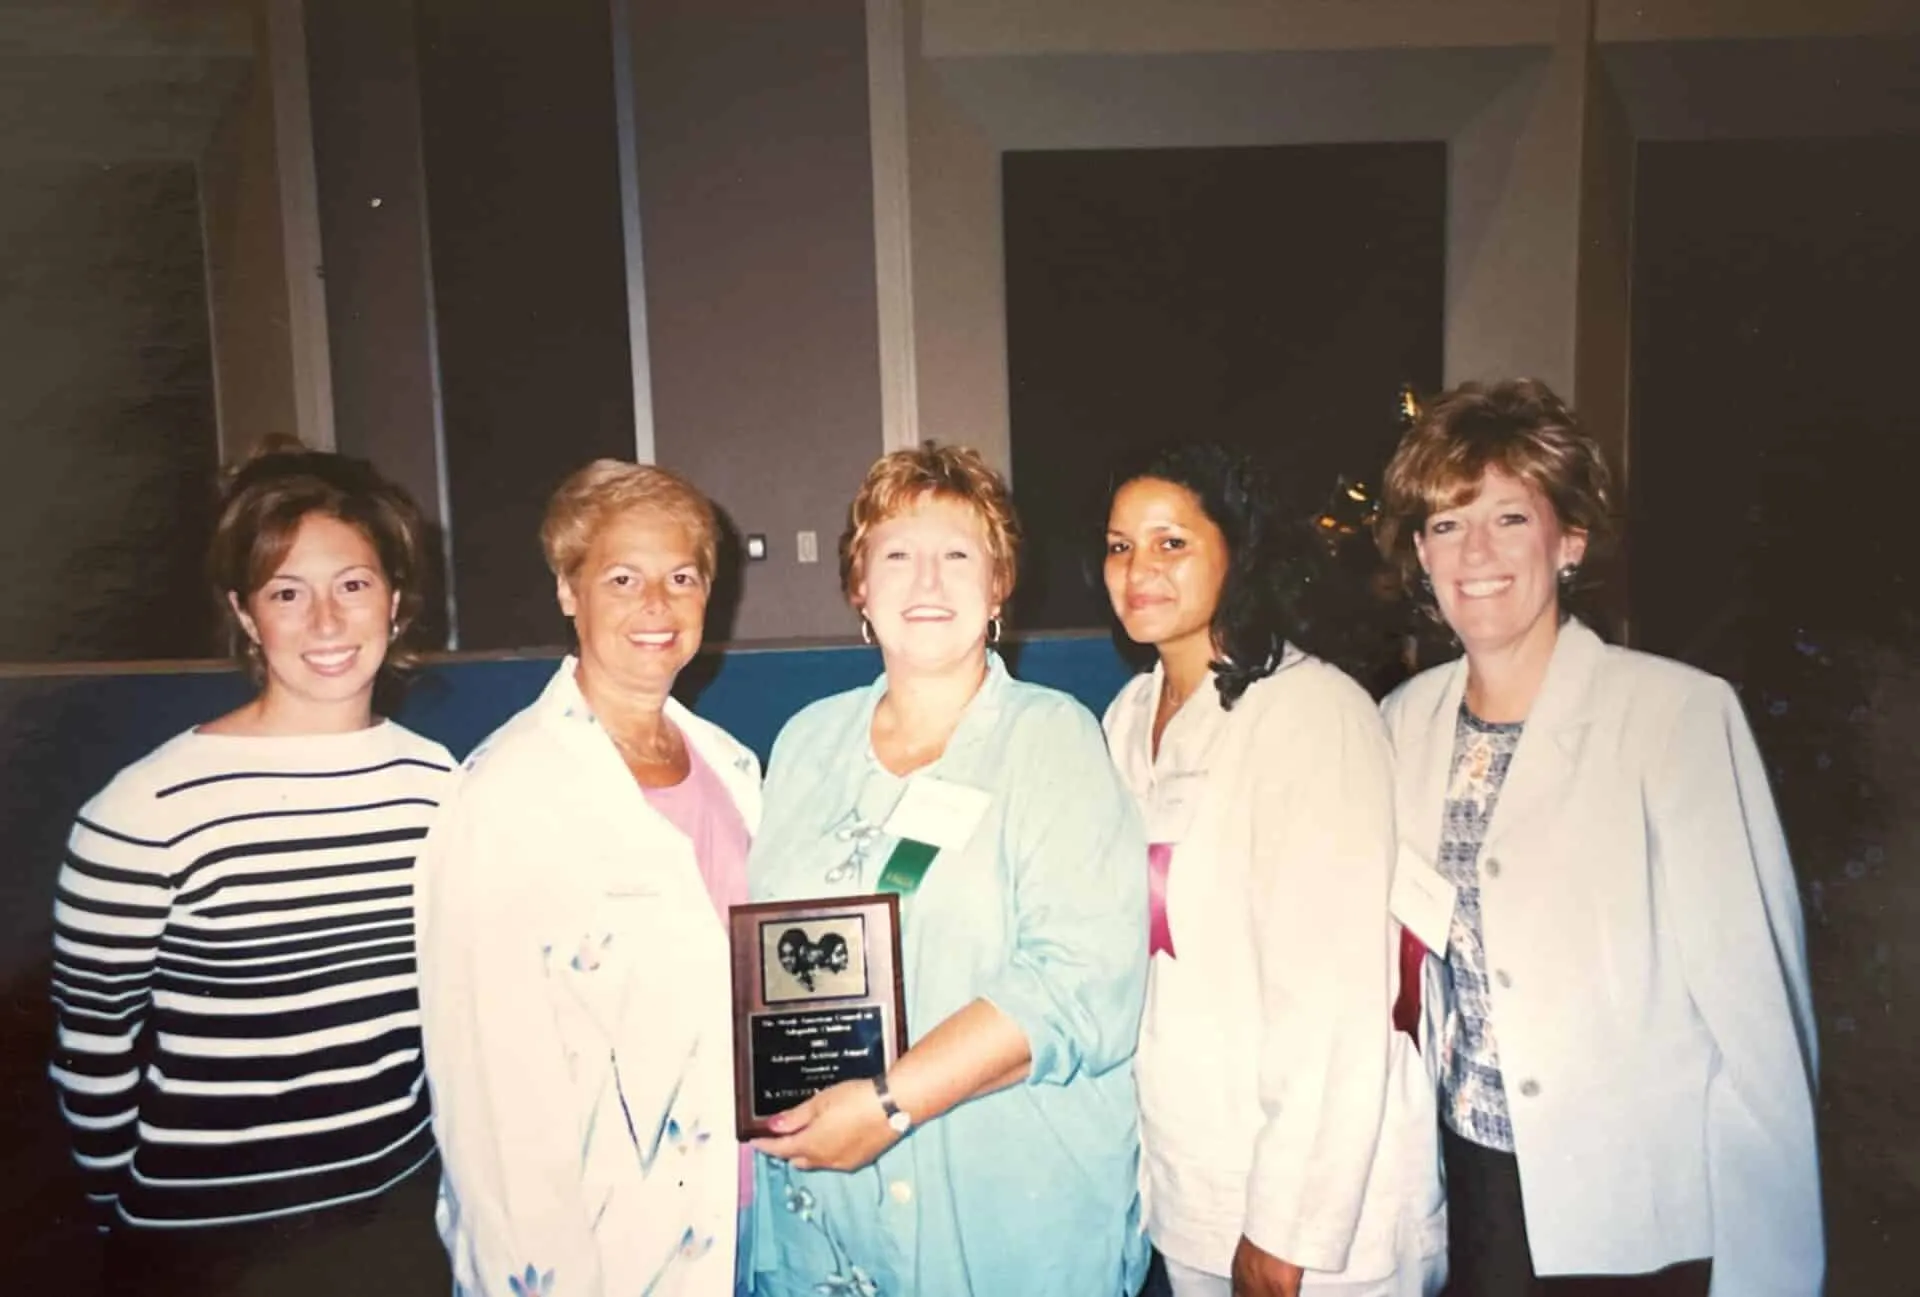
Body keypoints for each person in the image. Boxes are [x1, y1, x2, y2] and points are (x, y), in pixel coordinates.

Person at [1374, 379, 1822, 1295]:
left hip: (1632, 1213)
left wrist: (1770, 1270)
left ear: (1568, 538)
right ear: (1420, 553)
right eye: (1447, 525)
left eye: (1508, 516)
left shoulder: (1677, 715)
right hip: (1467, 1187)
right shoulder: (1400, 720)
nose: (1477, 553)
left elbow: (1759, 1027)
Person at [744, 444, 1150, 1297]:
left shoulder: (1052, 739)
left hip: (998, 1210)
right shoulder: (804, 743)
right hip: (829, 1208)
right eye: (896, 554)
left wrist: (890, 1104)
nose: (926, 580)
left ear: (1000, 584)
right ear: (859, 585)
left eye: (958, 554)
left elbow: (1078, 986)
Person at [49, 443, 455, 1295]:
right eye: (286, 592)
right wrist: (116, 1214)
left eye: (352, 584)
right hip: (207, 1243)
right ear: (244, 612)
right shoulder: (143, 812)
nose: (326, 622)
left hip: (396, 1222)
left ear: (397, 599)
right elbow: (93, 1051)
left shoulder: (440, 787)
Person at [1101, 443, 1446, 1297]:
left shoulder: (1310, 713)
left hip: (1319, 1215)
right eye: (1118, 545)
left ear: (1239, 550)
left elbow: (1335, 996)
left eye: (1170, 542)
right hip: (1190, 1180)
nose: (1138, 568)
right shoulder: (1126, 717)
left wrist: (1285, 1227)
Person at [417, 461, 760, 1297]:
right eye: (622, 577)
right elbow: (487, 1104)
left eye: (681, 576)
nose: (657, 605)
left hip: (748, 1218)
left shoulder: (734, 768)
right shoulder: (506, 792)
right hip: (598, 1251)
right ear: (569, 591)